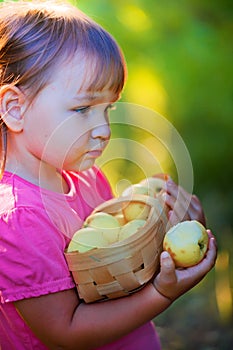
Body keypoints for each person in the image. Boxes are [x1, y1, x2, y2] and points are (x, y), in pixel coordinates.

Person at [0, 1, 217, 349]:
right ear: (15, 108)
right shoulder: (19, 219)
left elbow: (118, 271)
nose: (103, 129)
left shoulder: (84, 178)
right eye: (83, 109)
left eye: (109, 108)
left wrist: (167, 233)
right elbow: (64, 331)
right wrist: (162, 293)